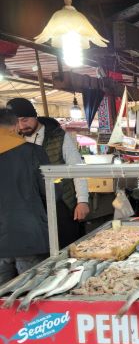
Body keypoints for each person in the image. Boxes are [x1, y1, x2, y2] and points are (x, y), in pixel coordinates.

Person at [0, 108, 50, 344]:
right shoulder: (32, 153)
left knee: (0, 307)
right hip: (30, 237)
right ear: (13, 127)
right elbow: (49, 194)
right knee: (30, 304)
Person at [7, 97, 89, 248]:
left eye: (25, 120)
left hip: (62, 203)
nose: (21, 125)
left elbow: (77, 168)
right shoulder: (14, 140)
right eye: (17, 121)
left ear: (34, 116)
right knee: (41, 251)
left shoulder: (58, 136)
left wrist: (82, 200)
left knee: (68, 247)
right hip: (32, 208)